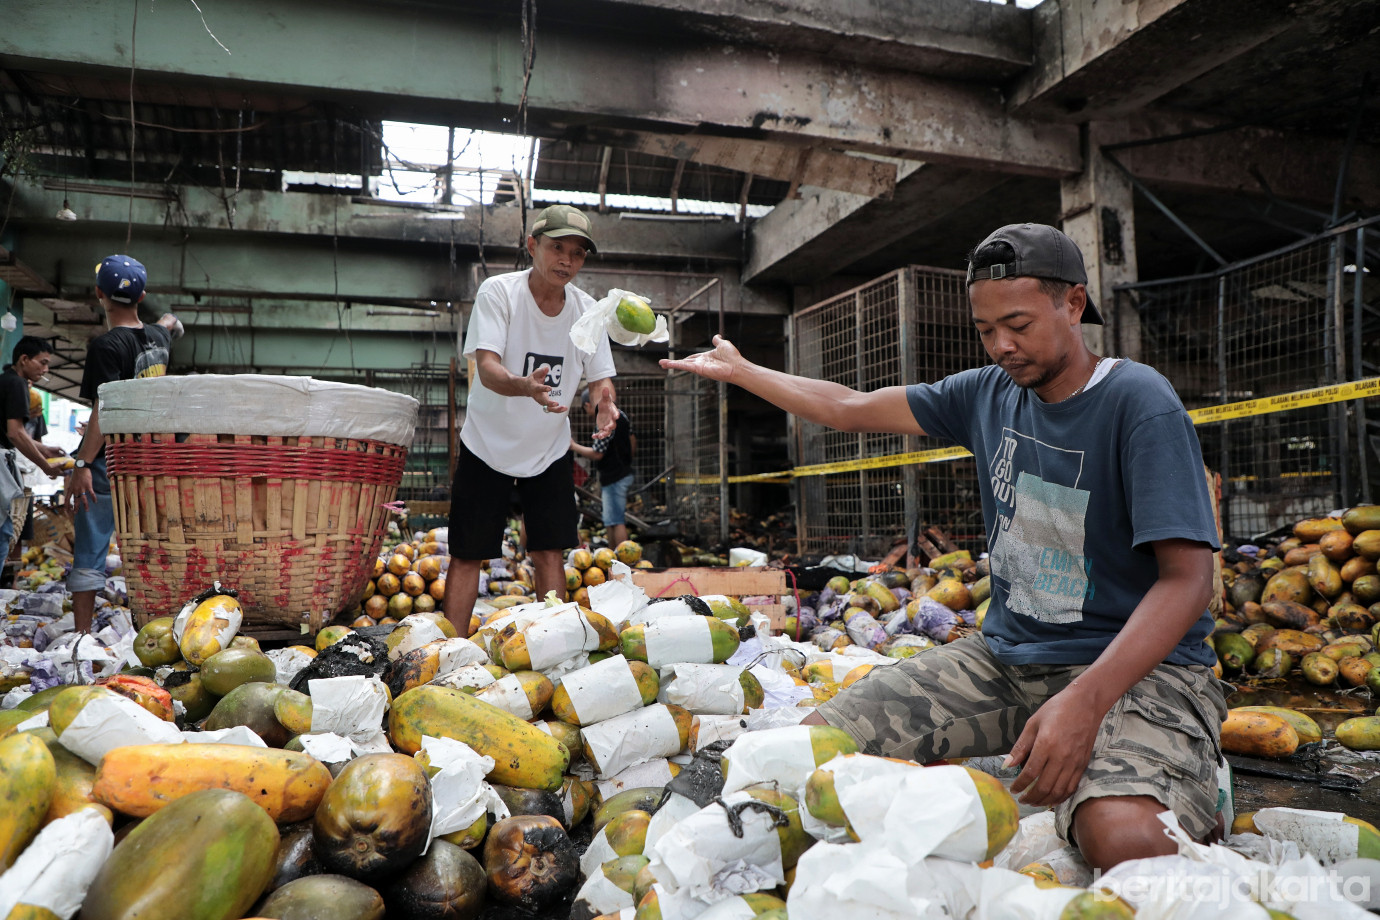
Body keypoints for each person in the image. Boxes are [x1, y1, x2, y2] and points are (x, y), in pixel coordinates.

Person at [661, 223, 1224, 872]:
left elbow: (1188, 581)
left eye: (1017, 324)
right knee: (809, 752)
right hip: (1008, 658)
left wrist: (1088, 699)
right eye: (986, 330)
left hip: (1139, 673)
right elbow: (848, 407)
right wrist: (744, 370)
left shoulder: (1138, 402)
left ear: (1073, 305)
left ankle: (1194, 782)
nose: (1002, 346)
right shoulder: (986, 394)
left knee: (1122, 840)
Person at [445, 205, 619, 637]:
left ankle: (552, 646)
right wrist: (525, 387)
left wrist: (605, 404)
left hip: (548, 449)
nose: (566, 260)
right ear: (532, 246)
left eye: (577, 253)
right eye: (556, 247)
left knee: (550, 550)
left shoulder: (588, 310)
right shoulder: (499, 293)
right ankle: (445, 650)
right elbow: (487, 367)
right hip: (487, 444)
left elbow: (601, 379)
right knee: (468, 553)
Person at [67, 255, 183, 633]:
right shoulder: (158, 338)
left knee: (89, 549)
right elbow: (169, 322)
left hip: (107, 464)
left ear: (99, 294)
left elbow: (104, 407)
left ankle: (82, 636)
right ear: (142, 295)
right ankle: (157, 628)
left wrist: (82, 465)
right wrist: (170, 324)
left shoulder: (106, 346)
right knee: (148, 549)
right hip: (148, 463)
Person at [0, 336, 63, 565]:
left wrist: (44, 448)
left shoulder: (5, 380)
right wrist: (46, 466)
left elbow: (13, 432)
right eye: (42, 362)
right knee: (4, 534)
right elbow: (15, 433)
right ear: (24, 359)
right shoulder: (17, 384)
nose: (45, 370)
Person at [570, 388, 636, 547]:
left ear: (589, 404)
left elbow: (597, 453)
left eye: (585, 408)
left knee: (616, 521)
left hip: (614, 477)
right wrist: (626, 459)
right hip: (622, 473)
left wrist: (572, 446)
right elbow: (632, 438)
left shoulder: (604, 421)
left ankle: (621, 562)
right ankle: (614, 558)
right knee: (610, 520)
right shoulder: (620, 415)